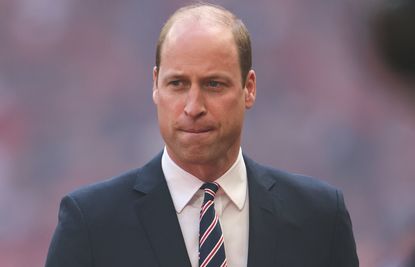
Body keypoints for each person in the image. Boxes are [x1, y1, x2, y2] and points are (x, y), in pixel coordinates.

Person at [45, 3, 359, 267]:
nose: (193, 107)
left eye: (213, 84)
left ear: (248, 88)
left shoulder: (319, 217)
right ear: (156, 85)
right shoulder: (91, 223)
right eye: (177, 84)